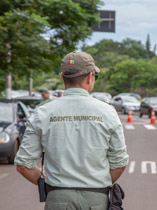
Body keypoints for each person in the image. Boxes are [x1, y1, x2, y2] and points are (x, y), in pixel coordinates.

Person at [15, 51, 129, 210]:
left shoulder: (43, 113)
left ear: (62, 77)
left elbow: (23, 164)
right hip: (97, 199)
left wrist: (47, 185)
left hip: (57, 198)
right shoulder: (107, 112)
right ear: (90, 77)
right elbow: (120, 163)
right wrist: (96, 183)